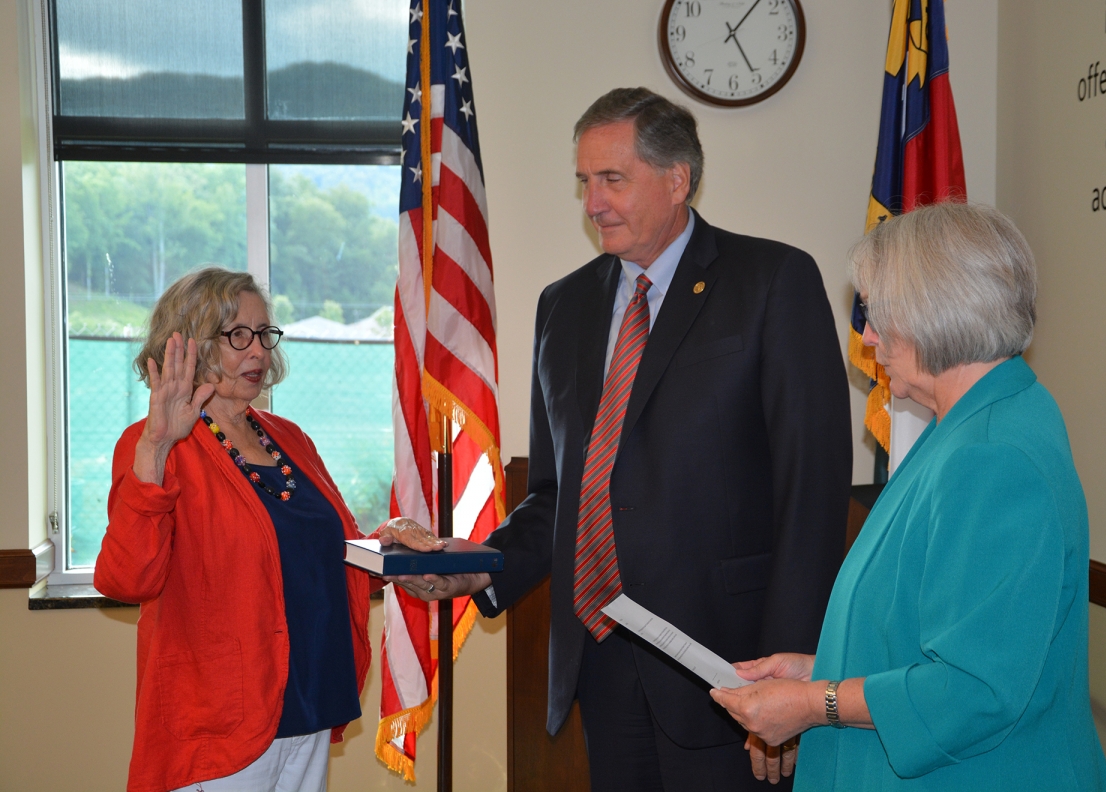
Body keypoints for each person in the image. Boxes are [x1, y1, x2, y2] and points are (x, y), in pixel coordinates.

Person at [382, 87, 852, 791]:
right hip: (601, 664)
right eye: (584, 182)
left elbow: (810, 491)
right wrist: (482, 564)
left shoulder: (771, 282)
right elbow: (557, 495)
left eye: (612, 180)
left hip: (733, 669)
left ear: (677, 179)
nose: (592, 203)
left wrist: (793, 672)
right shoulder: (563, 305)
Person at [711, 203, 1106, 791]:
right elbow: (925, 626)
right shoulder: (973, 420)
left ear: (935, 312)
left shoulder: (991, 454)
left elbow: (973, 689)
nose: (869, 336)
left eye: (878, 313)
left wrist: (815, 703)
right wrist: (818, 671)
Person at [95, 268, 383, 792]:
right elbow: (125, 580)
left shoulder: (288, 437)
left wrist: (391, 545)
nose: (258, 352)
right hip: (220, 725)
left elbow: (323, 553)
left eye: (264, 334)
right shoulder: (153, 446)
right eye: (237, 336)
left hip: (311, 703)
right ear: (188, 347)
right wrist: (157, 449)